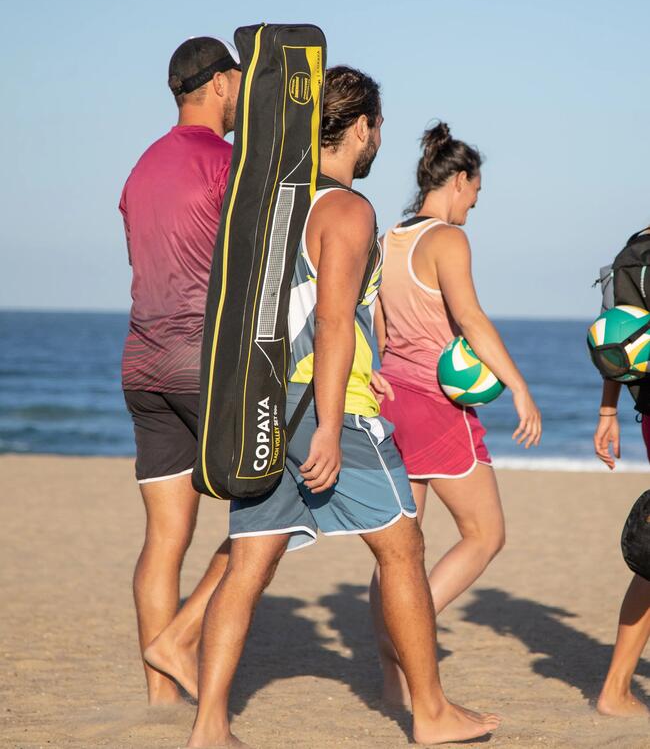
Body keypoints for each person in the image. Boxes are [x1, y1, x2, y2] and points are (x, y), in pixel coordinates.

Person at [186, 69, 501, 747]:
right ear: (360, 128)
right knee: (403, 548)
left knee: (248, 566)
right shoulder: (349, 210)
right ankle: (431, 712)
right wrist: (332, 422)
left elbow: (300, 311)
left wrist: (366, 367)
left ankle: (209, 725)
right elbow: (332, 322)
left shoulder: (275, 203)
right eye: (378, 126)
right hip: (331, 412)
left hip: (270, 403)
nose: (379, 137)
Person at [370, 121, 541, 705]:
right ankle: (407, 629)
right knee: (485, 533)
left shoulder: (390, 237)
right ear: (459, 180)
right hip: (438, 408)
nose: (474, 203)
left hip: (390, 399)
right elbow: (471, 320)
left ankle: (394, 684)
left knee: (403, 549)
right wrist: (518, 386)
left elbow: (380, 329)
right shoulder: (447, 239)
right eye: (475, 191)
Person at [118, 36, 241, 704]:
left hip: (142, 366)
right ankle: (179, 640)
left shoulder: (141, 167)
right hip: (206, 366)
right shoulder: (228, 162)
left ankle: (160, 702)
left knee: (164, 539)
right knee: (270, 511)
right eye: (239, 81)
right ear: (220, 83)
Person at [594, 295, 650, 716]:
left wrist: (608, 408)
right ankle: (613, 692)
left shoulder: (634, 257)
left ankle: (615, 689)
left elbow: (618, 336)